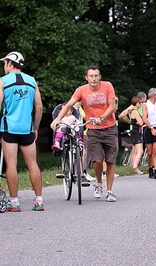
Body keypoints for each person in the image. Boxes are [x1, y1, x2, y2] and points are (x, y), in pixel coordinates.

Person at [51, 65, 118, 202]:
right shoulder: (81, 90)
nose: (94, 79)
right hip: (92, 130)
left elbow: (112, 106)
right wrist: (58, 119)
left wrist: (101, 118)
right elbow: (69, 105)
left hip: (109, 128)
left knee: (110, 161)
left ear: (100, 77)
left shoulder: (107, 86)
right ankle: (99, 183)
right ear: (86, 78)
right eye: (91, 76)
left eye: (96, 76)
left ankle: (109, 191)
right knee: (97, 161)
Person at [0, 51, 44, 211]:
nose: (4, 66)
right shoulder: (32, 81)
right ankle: (39, 201)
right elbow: (39, 107)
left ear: (10, 63)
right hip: (27, 129)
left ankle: (14, 202)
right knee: (32, 164)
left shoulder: (3, 81)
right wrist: (36, 127)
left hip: (9, 128)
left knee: (11, 164)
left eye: (5, 63)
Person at [142, 88, 156, 179]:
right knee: (149, 152)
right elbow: (144, 118)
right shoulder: (145, 105)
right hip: (148, 128)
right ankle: (150, 168)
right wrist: (151, 128)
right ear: (154, 96)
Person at [128, 96, 144, 175]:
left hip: (135, 132)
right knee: (140, 151)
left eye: (141, 102)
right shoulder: (135, 112)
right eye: (139, 102)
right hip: (136, 132)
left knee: (134, 150)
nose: (141, 104)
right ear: (135, 103)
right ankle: (135, 166)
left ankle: (133, 167)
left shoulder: (134, 111)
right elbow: (141, 123)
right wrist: (140, 122)